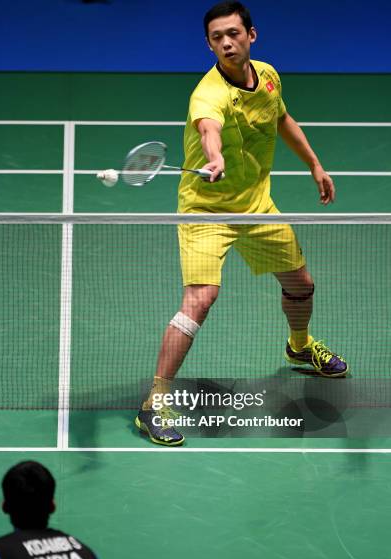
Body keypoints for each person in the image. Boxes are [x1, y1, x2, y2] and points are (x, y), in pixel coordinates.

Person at [135, 1, 348, 447]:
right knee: (201, 299)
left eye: (233, 33)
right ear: (209, 44)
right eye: (216, 37)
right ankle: (153, 403)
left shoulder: (267, 75)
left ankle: (299, 345)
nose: (226, 43)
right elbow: (209, 128)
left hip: (256, 206)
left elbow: (282, 118)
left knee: (301, 284)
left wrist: (315, 165)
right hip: (205, 211)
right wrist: (214, 157)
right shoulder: (207, 94)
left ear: (252, 35)